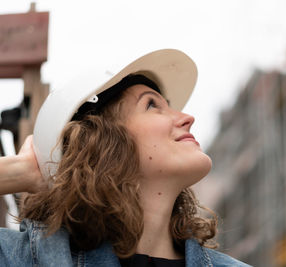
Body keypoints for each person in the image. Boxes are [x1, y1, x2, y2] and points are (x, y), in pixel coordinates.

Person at [0, 49, 250, 266]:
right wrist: (19, 172)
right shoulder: (25, 259)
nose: (187, 117)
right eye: (152, 105)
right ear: (102, 142)